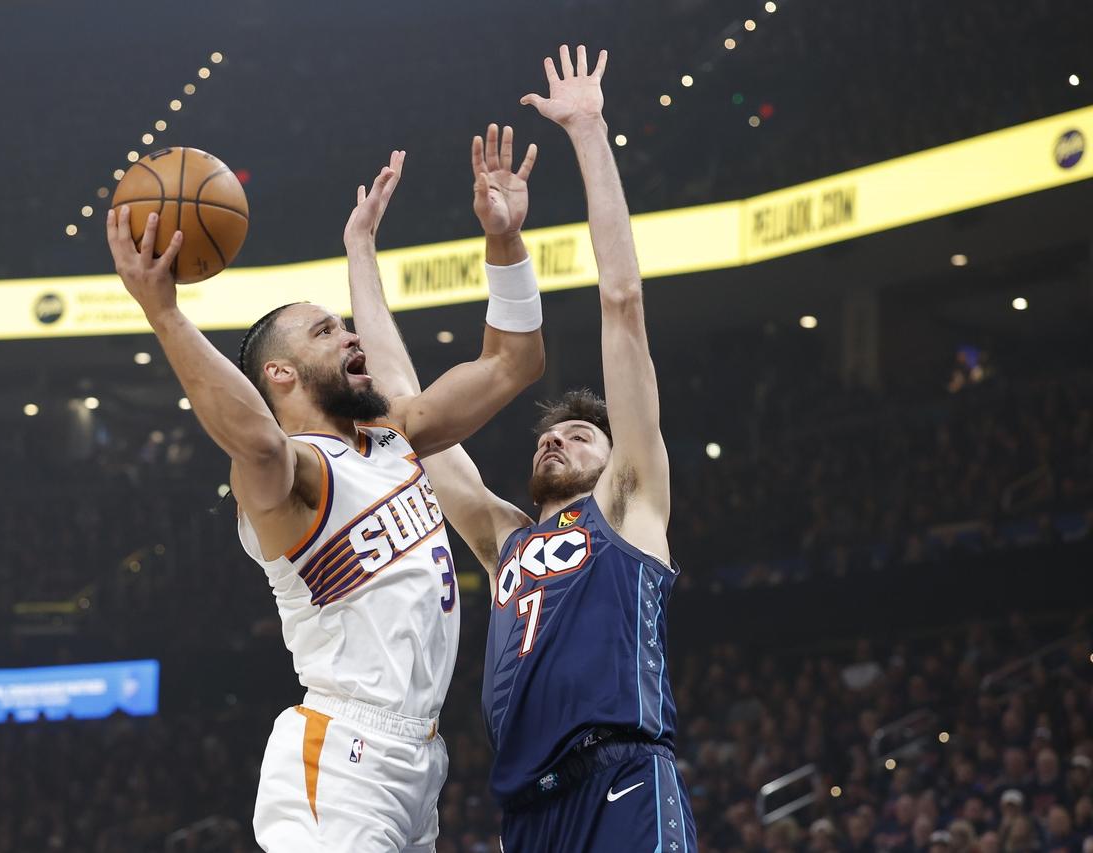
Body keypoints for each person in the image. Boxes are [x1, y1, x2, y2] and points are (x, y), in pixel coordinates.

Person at [105, 135, 544, 853]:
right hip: (340, 758)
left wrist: (503, 240)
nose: (350, 336)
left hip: (421, 760)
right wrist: (166, 314)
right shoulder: (294, 474)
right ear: (280, 375)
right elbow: (256, 441)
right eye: (326, 331)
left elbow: (512, 363)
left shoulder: (395, 437)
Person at [346, 45, 696, 853]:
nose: (556, 438)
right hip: (528, 815)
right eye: (547, 434)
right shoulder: (506, 540)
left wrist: (588, 131)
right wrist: (361, 254)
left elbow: (622, 301)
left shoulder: (630, 502)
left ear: (615, 457)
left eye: (579, 433)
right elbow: (405, 415)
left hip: (621, 778)